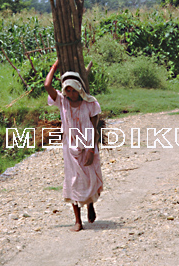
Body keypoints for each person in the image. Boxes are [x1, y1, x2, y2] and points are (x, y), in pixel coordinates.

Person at [44, 59, 103, 231]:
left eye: (73, 89)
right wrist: (55, 66)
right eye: (67, 89)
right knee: (73, 180)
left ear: (79, 88)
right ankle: (78, 221)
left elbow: (94, 128)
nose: (70, 93)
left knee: (90, 178)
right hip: (70, 147)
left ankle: (90, 204)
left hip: (88, 146)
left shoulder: (90, 103)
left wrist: (91, 150)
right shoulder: (62, 101)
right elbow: (47, 86)